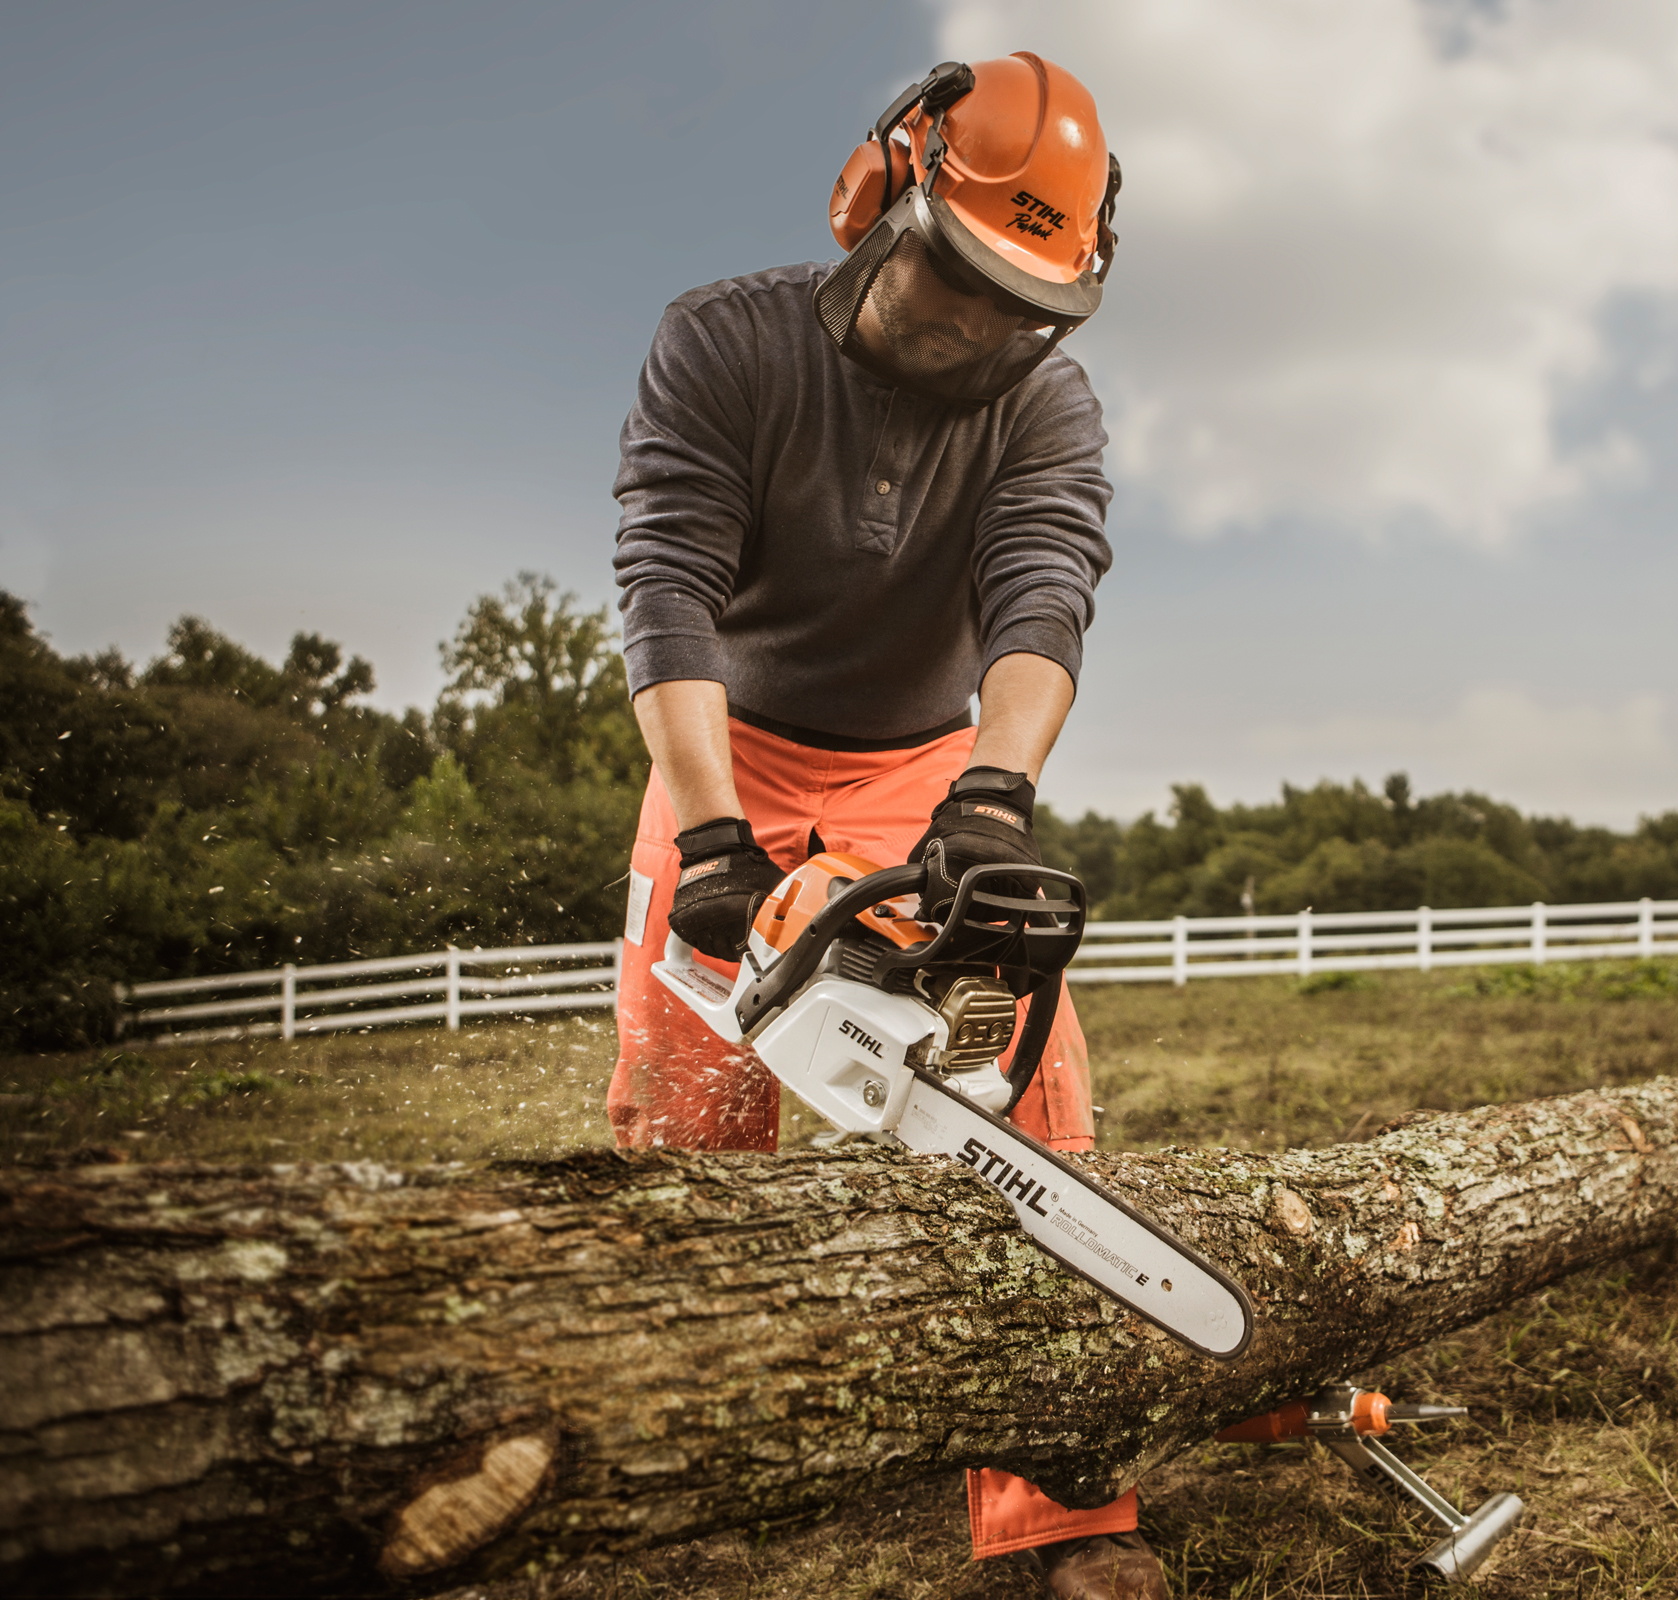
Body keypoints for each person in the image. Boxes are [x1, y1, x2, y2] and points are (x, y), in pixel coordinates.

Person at [607, 53, 1165, 1600]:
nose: (982, 327)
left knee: (1015, 1084)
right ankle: (683, 1451)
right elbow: (667, 584)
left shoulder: (1045, 402)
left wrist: (995, 793)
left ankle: (1051, 1505)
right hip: (728, 749)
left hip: (926, 764)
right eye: (959, 278)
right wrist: (714, 837)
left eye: (1020, 302)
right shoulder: (722, 343)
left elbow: (1045, 587)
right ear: (880, 199)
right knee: (688, 1098)